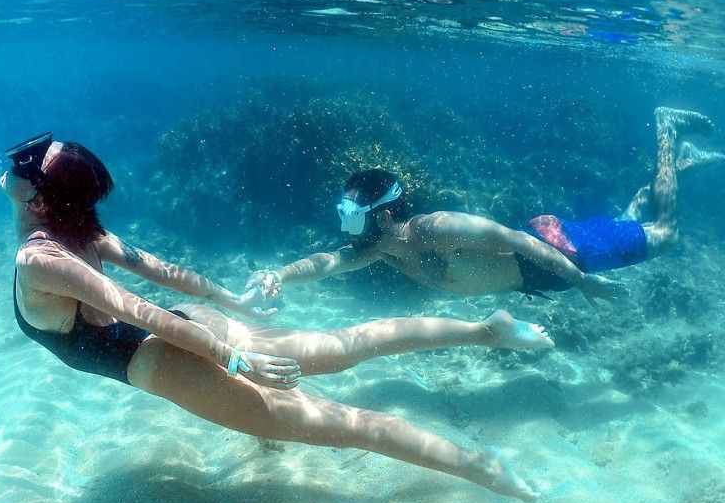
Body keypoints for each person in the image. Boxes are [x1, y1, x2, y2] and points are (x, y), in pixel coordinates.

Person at [0, 133, 556, 503]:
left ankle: (479, 467)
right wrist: (234, 309)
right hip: (190, 322)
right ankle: (488, 331)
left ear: (39, 203)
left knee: (336, 423)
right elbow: (169, 279)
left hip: (160, 356)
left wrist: (234, 359)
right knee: (342, 345)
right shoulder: (87, 234)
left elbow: (135, 310)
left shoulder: (41, 258)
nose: (10, 169)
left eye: (21, 168)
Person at [248, 107, 724, 303]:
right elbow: (327, 263)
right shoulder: (381, 247)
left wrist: (581, 282)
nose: (346, 223)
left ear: (386, 211)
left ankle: (667, 129)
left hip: (560, 251)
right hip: (542, 272)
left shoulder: (435, 227)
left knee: (665, 237)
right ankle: (679, 167)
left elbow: (516, 239)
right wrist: (279, 276)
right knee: (624, 222)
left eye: (353, 212)